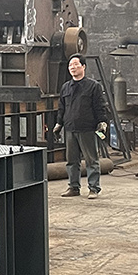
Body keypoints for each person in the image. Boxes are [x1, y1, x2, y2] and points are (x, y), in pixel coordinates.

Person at [54, 55, 109, 199]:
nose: (72, 67)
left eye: (76, 64)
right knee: (72, 161)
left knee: (91, 160)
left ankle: (94, 188)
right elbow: (62, 107)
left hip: (87, 128)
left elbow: (99, 106)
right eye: (70, 65)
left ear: (83, 67)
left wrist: (102, 122)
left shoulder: (93, 86)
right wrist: (59, 123)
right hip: (70, 128)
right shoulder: (66, 87)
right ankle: (73, 187)